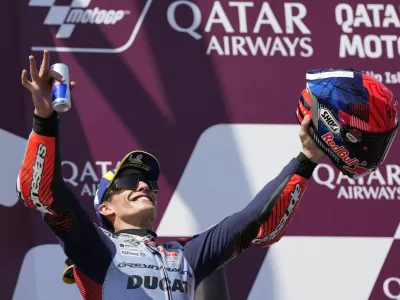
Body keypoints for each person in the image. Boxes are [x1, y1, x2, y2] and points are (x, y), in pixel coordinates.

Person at [17, 50, 325, 300]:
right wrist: (44, 120)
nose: (143, 186)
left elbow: (255, 220)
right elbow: (41, 192)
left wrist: (307, 160)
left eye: (149, 182)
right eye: (127, 181)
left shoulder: (183, 255)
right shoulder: (96, 249)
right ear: (105, 207)